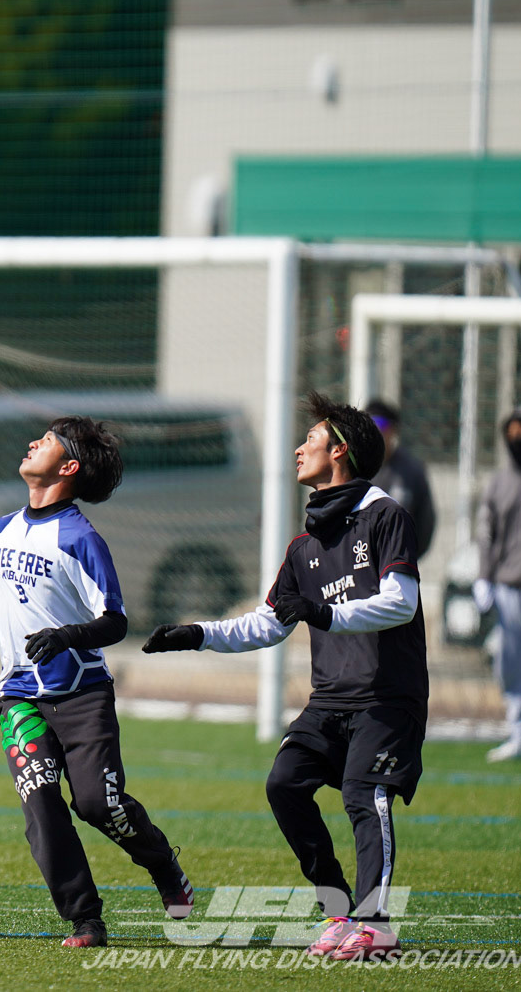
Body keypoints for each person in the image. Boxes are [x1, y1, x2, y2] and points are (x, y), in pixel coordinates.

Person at [144, 392, 425, 963]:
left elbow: (402, 603)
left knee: (363, 794)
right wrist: (195, 634)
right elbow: (268, 624)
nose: (298, 449)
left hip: (385, 698)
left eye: (311, 439)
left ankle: (375, 925)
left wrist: (325, 613)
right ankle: (339, 910)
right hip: (331, 700)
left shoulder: (385, 516)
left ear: (339, 451)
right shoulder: (305, 545)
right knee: (284, 784)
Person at [0, 416, 193, 949]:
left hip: (82, 696)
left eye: (46, 441)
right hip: (19, 697)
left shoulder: (81, 539)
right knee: (40, 804)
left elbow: (115, 622)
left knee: (98, 806)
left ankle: (163, 864)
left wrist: (65, 636)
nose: (32, 442)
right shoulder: (3, 528)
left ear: (68, 467)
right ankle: (85, 919)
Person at [473, 407, 521, 764]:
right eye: (512, 432)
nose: (519, 438)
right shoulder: (498, 483)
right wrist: (484, 576)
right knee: (512, 664)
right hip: (508, 587)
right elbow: (487, 534)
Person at [365, 399, 435, 560]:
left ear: (393, 430)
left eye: (381, 424)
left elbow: (426, 521)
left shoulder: (411, 470)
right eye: (370, 423)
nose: (376, 430)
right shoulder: (353, 467)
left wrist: (406, 557)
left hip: (397, 561)